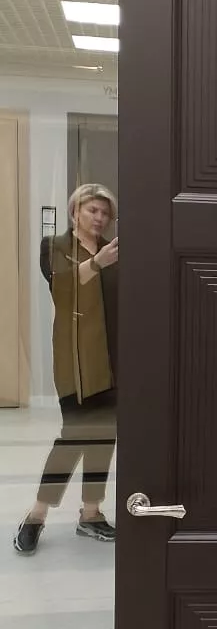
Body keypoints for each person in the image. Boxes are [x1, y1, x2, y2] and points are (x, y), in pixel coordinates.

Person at [14, 184, 119, 556]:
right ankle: (36, 515)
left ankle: (91, 513)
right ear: (75, 211)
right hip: (75, 360)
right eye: (93, 210)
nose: (100, 218)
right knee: (73, 436)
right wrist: (97, 263)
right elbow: (61, 286)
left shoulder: (114, 250)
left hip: (111, 360)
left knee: (104, 436)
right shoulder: (55, 246)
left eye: (105, 213)